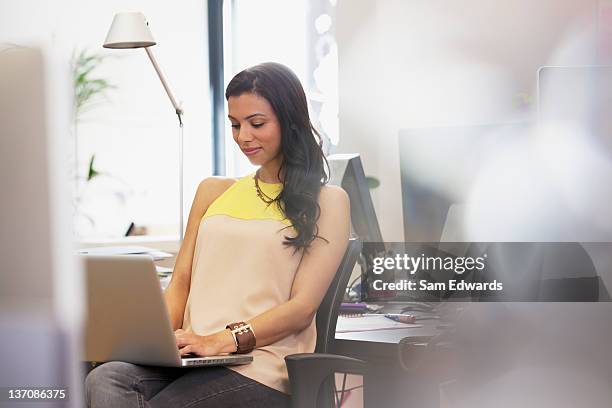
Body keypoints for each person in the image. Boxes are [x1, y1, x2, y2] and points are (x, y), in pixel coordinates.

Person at [85, 62, 351, 407]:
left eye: (257, 124)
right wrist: (153, 342)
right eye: (234, 124)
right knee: (104, 379)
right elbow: (181, 280)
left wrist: (223, 340)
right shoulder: (213, 191)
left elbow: (301, 307)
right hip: (194, 356)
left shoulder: (328, 201)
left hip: (259, 364)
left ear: (290, 121)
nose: (243, 137)